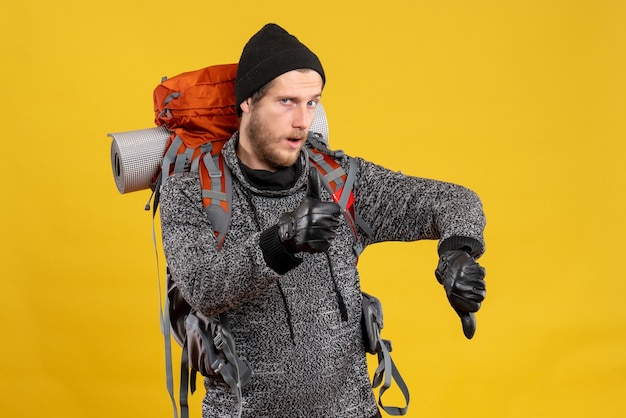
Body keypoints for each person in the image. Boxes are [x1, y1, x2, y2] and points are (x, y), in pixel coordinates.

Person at [160, 23, 487, 418]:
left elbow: (453, 200)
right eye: (287, 102)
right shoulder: (191, 193)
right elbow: (203, 288)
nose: (303, 121)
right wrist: (282, 241)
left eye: (312, 102)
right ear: (247, 102)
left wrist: (457, 252)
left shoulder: (340, 179)